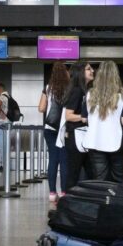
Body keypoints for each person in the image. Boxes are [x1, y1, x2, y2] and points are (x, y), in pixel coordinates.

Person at [82, 61, 123, 183]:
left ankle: (102, 196)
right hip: (116, 141)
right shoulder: (122, 95)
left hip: (94, 141)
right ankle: (117, 196)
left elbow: (84, 119)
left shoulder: (90, 94)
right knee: (119, 179)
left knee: (100, 179)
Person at [38, 61, 70, 201]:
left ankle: (52, 193)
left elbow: (41, 108)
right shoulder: (70, 88)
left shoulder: (48, 88)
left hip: (50, 128)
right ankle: (64, 192)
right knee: (64, 160)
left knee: (53, 159)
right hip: (64, 128)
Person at [63, 62, 94, 189]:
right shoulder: (77, 91)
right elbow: (68, 115)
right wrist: (85, 117)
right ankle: (68, 198)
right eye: (88, 69)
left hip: (82, 136)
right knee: (74, 173)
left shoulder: (85, 90)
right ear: (80, 72)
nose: (92, 71)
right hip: (76, 136)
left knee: (90, 172)